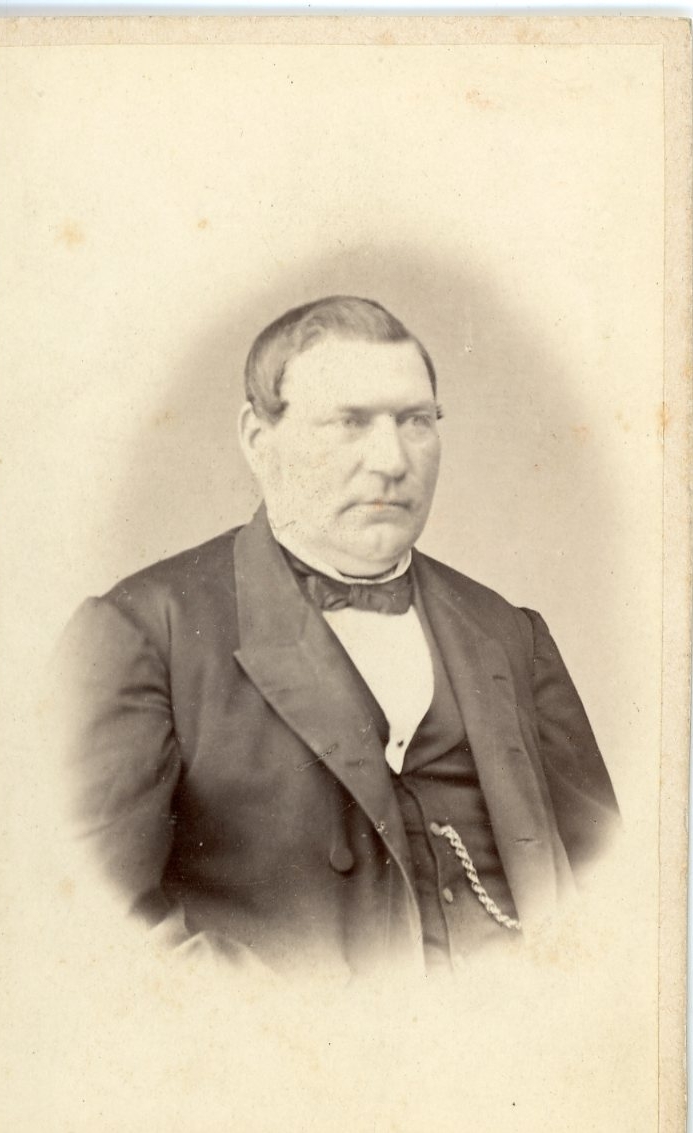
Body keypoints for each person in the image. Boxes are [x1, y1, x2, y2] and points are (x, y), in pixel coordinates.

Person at [59, 295, 619, 980]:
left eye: (415, 421)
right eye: (349, 422)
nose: (391, 460)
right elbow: (95, 923)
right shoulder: (144, 631)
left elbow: (609, 886)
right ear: (258, 440)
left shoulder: (508, 631)